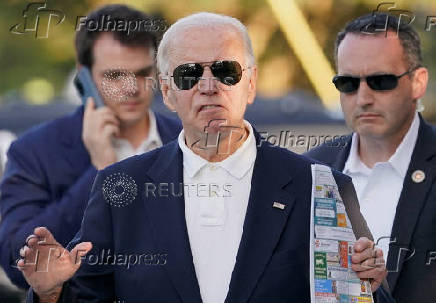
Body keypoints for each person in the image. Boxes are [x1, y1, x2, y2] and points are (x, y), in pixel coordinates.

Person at [19, 12, 389, 303]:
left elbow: (359, 294)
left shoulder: (320, 188)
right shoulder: (123, 186)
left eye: (226, 71)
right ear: (167, 92)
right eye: (189, 74)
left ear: (251, 83)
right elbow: (87, 297)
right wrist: (50, 292)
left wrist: (371, 286)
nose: (208, 86)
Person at [0, 4, 181, 289]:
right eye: (115, 76)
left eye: (143, 72)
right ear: (84, 77)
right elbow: (15, 261)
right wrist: (100, 171)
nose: (132, 87)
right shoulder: (35, 151)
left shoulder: (188, 139)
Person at [306, 13, 434, 303]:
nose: (363, 97)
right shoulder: (310, 170)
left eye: (381, 80)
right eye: (348, 83)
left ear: (418, 82)